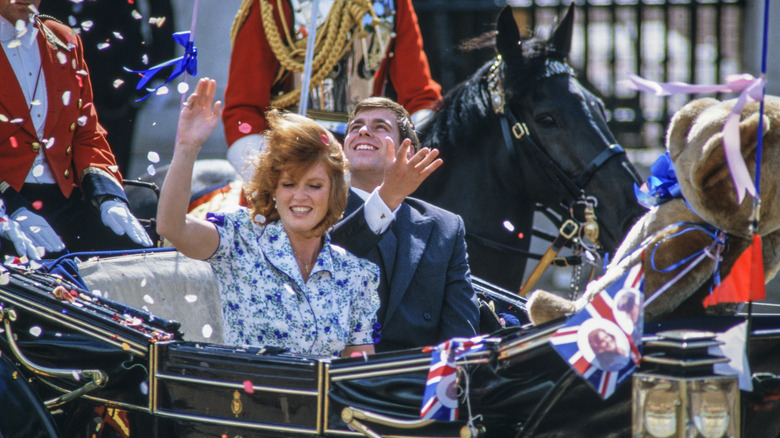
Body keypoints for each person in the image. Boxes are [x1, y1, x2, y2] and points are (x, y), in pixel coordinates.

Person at [157, 78, 380, 357]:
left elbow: (358, 371)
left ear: (333, 193)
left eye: (314, 185)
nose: (300, 196)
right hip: (248, 397)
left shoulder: (356, 274)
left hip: (320, 401)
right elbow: (172, 227)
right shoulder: (239, 239)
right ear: (274, 190)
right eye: (288, 184)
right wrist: (187, 146)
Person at [0, 0, 152, 260]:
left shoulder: (63, 39)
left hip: (64, 199)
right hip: (8, 202)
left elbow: (86, 132)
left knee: (138, 258)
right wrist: (8, 209)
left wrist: (109, 196)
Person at [222, 0, 442, 179]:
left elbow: (421, 97)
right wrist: (273, 176)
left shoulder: (393, 4)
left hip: (370, 160)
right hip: (291, 159)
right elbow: (243, 111)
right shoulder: (273, 5)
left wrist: (404, 156)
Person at [330, 97, 480, 352]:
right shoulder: (319, 211)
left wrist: (445, 384)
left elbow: (460, 330)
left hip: (418, 381)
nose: (363, 131)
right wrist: (385, 199)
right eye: (355, 128)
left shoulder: (445, 227)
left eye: (380, 127)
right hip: (343, 378)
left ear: (407, 153)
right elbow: (330, 258)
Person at [40, 0, 176, 176]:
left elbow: (160, 7)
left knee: (111, 163)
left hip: (117, 71)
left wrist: (159, 72)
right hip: (51, 57)